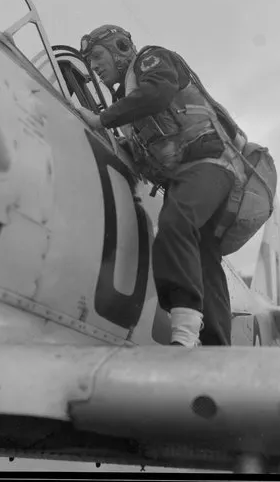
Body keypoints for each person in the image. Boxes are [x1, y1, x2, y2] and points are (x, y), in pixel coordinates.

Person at [77, 25, 248, 347]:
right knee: (204, 258)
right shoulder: (127, 103)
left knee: (175, 222)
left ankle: (183, 331)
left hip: (211, 166)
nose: (95, 67)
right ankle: (217, 348)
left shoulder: (151, 62)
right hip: (189, 176)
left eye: (98, 56)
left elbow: (158, 93)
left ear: (121, 48)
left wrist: (100, 120)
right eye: (90, 62)